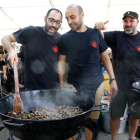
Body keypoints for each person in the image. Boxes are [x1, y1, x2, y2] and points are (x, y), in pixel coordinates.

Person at [58, 4, 118, 140]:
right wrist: (61, 84)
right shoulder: (65, 38)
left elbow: (105, 58)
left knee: (91, 120)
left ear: (82, 15)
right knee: (72, 120)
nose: (69, 21)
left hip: (96, 84)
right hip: (74, 85)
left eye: (72, 17)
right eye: (67, 19)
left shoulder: (95, 34)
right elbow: (61, 63)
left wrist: (113, 79)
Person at [94, 11, 140, 140]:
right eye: (126, 21)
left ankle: (131, 138)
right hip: (117, 85)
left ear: (137, 22)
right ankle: (114, 138)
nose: (128, 24)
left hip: (137, 86)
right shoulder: (116, 36)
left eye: (132, 21)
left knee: (135, 115)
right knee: (115, 115)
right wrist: (97, 27)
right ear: (123, 23)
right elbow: (97, 36)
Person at [1, 8, 63, 91]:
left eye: (58, 22)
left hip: (52, 88)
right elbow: (5, 38)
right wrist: (11, 51)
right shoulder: (31, 32)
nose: (54, 25)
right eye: (51, 20)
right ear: (45, 19)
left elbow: (60, 64)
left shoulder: (59, 38)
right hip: (32, 89)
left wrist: (61, 85)